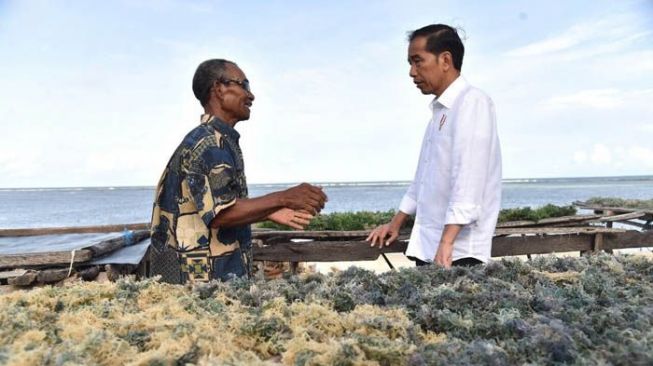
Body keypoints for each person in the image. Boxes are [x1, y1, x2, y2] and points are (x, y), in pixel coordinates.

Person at [151, 59, 327, 283]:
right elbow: (221, 214)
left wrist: (269, 211)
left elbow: (218, 203)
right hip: (202, 288)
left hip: (205, 284)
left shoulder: (216, 140)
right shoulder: (209, 143)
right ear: (219, 88)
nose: (251, 95)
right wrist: (285, 197)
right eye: (244, 85)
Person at [367, 24, 502, 268]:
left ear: (445, 60)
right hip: (429, 246)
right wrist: (395, 223)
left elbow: (468, 177)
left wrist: (448, 241)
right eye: (410, 63)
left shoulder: (472, 102)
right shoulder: (439, 114)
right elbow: (423, 179)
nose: (411, 72)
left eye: (418, 61)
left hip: (458, 253)